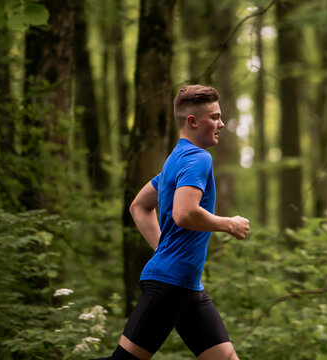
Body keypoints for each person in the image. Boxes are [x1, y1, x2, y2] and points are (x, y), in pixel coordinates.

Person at [95, 85, 250, 360]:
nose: (221, 123)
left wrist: (163, 250)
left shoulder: (174, 161)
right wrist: (229, 224)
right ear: (192, 121)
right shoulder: (198, 159)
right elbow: (184, 213)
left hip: (188, 286)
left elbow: (139, 206)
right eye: (214, 117)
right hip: (170, 284)